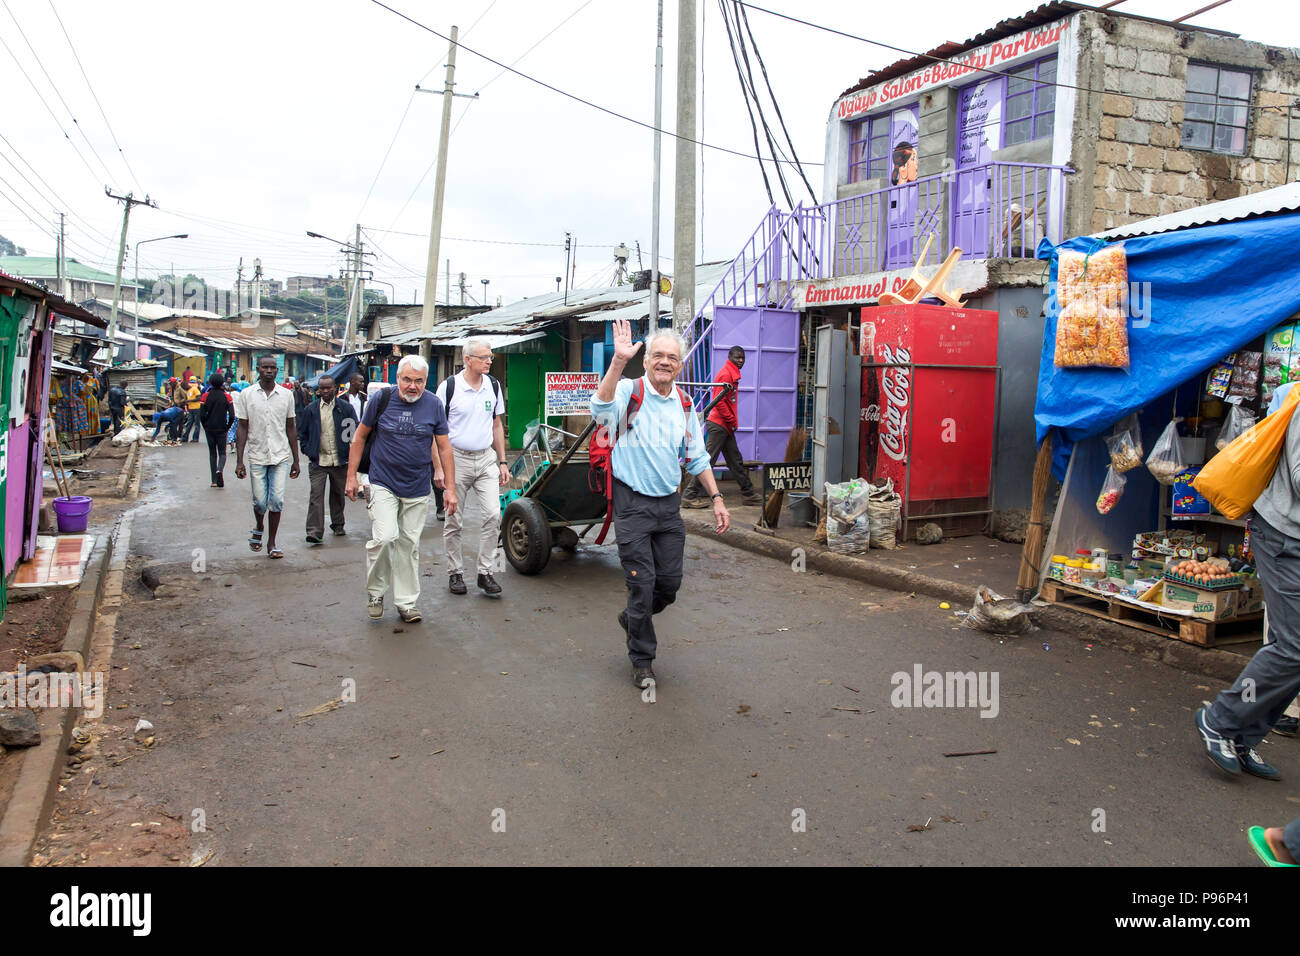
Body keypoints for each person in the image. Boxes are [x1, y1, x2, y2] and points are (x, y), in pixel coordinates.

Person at [590, 320, 731, 690]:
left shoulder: (685, 404)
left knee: (668, 585)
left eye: (672, 357)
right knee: (642, 584)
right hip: (632, 504)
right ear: (647, 360)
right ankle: (642, 660)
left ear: (680, 365)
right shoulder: (628, 390)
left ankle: (633, 617)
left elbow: (698, 457)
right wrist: (619, 361)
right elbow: (600, 412)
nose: (664, 362)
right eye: (658, 356)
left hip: (668, 507)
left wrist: (717, 498)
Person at [1194, 394, 1300, 781]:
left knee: (1294, 650)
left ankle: (1242, 734)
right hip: (1284, 537)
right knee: (1293, 647)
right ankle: (1220, 720)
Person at [345, 355, 456, 623]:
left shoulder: (434, 404)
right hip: (382, 481)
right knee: (385, 538)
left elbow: (444, 446)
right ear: (398, 379)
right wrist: (351, 477)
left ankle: (406, 603)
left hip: (417, 487)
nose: (412, 386)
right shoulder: (381, 400)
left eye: (418, 381)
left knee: (408, 545)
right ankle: (376, 592)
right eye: (407, 379)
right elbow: (359, 436)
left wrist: (450, 488)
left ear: (425, 382)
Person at [436, 339, 509, 596]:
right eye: (484, 357)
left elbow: (496, 424)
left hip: (486, 458)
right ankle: (455, 573)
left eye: (491, 356)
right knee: (454, 520)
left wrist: (502, 461)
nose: (489, 361)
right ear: (468, 359)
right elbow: (437, 432)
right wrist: (439, 469)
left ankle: (485, 572)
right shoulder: (450, 387)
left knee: (493, 514)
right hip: (456, 459)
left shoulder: (494, 385)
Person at [234, 355, 300, 559]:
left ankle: (272, 543)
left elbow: (290, 427)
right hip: (257, 455)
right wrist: (239, 461)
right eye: (265, 367)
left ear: (277, 371)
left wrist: (296, 460)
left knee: (277, 501)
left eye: (273, 367)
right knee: (260, 502)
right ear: (258, 369)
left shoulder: (287, 395)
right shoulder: (246, 395)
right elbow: (242, 427)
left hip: (281, 456)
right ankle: (259, 525)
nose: (269, 371)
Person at [682, 345, 761, 508]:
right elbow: (719, 403)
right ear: (729, 357)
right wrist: (732, 421)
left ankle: (748, 493)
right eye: (737, 357)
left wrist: (731, 422)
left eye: (742, 358)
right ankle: (689, 496)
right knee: (706, 462)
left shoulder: (731, 372)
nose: (740, 361)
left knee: (735, 460)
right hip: (719, 425)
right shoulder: (726, 373)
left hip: (723, 425)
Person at [298, 375, 357, 543]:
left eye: (328, 388)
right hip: (318, 461)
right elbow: (302, 433)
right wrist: (308, 450)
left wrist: (348, 453)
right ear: (318, 390)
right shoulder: (311, 409)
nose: (325, 391)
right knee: (316, 496)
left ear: (335, 389)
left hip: (340, 460)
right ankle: (314, 531)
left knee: (338, 494)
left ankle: (338, 524)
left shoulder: (345, 409)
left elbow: (352, 432)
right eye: (322, 388)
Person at [199, 372, 236, 487]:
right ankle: (220, 469)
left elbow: (201, 415)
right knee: (222, 453)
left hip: (210, 428)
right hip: (222, 428)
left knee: (212, 454)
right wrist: (227, 427)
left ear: (210, 382)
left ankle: (214, 481)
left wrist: (205, 426)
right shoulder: (227, 396)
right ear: (222, 383)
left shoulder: (205, 396)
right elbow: (232, 415)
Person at [182, 377, 203, 442]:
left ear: (186, 385)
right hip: (191, 409)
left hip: (197, 408)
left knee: (197, 424)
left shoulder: (194, 389)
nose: (184, 389)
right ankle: (185, 438)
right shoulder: (188, 391)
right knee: (189, 423)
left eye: (184, 387)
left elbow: (199, 398)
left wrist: (189, 400)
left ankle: (195, 438)